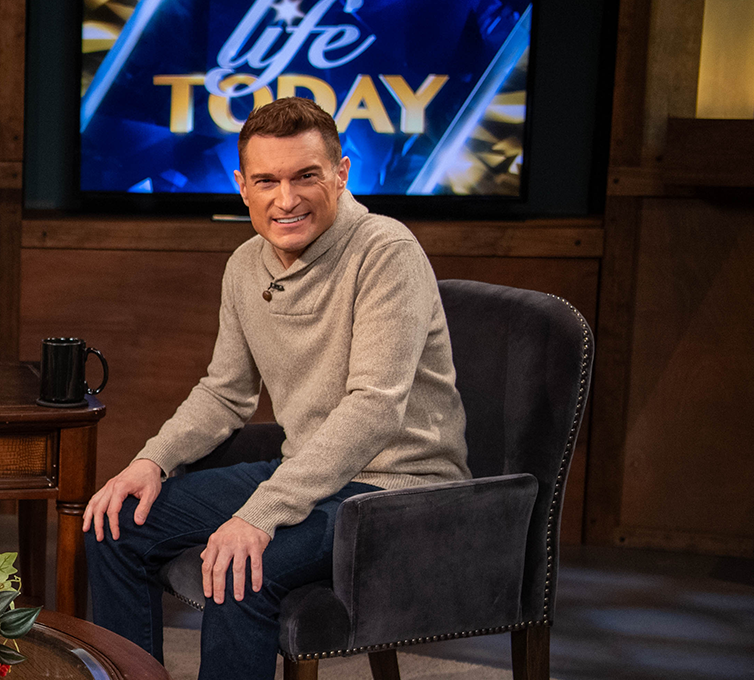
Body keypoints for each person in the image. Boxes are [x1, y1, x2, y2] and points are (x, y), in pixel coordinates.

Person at [82, 97, 470, 679]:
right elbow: (225, 392)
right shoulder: (245, 265)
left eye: (305, 176)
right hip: (310, 475)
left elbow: (374, 409)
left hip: (399, 491)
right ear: (242, 186)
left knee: (241, 568)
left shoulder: (386, 252)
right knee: (116, 528)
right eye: (267, 180)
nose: (285, 200)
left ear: (341, 173)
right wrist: (151, 461)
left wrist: (260, 514)